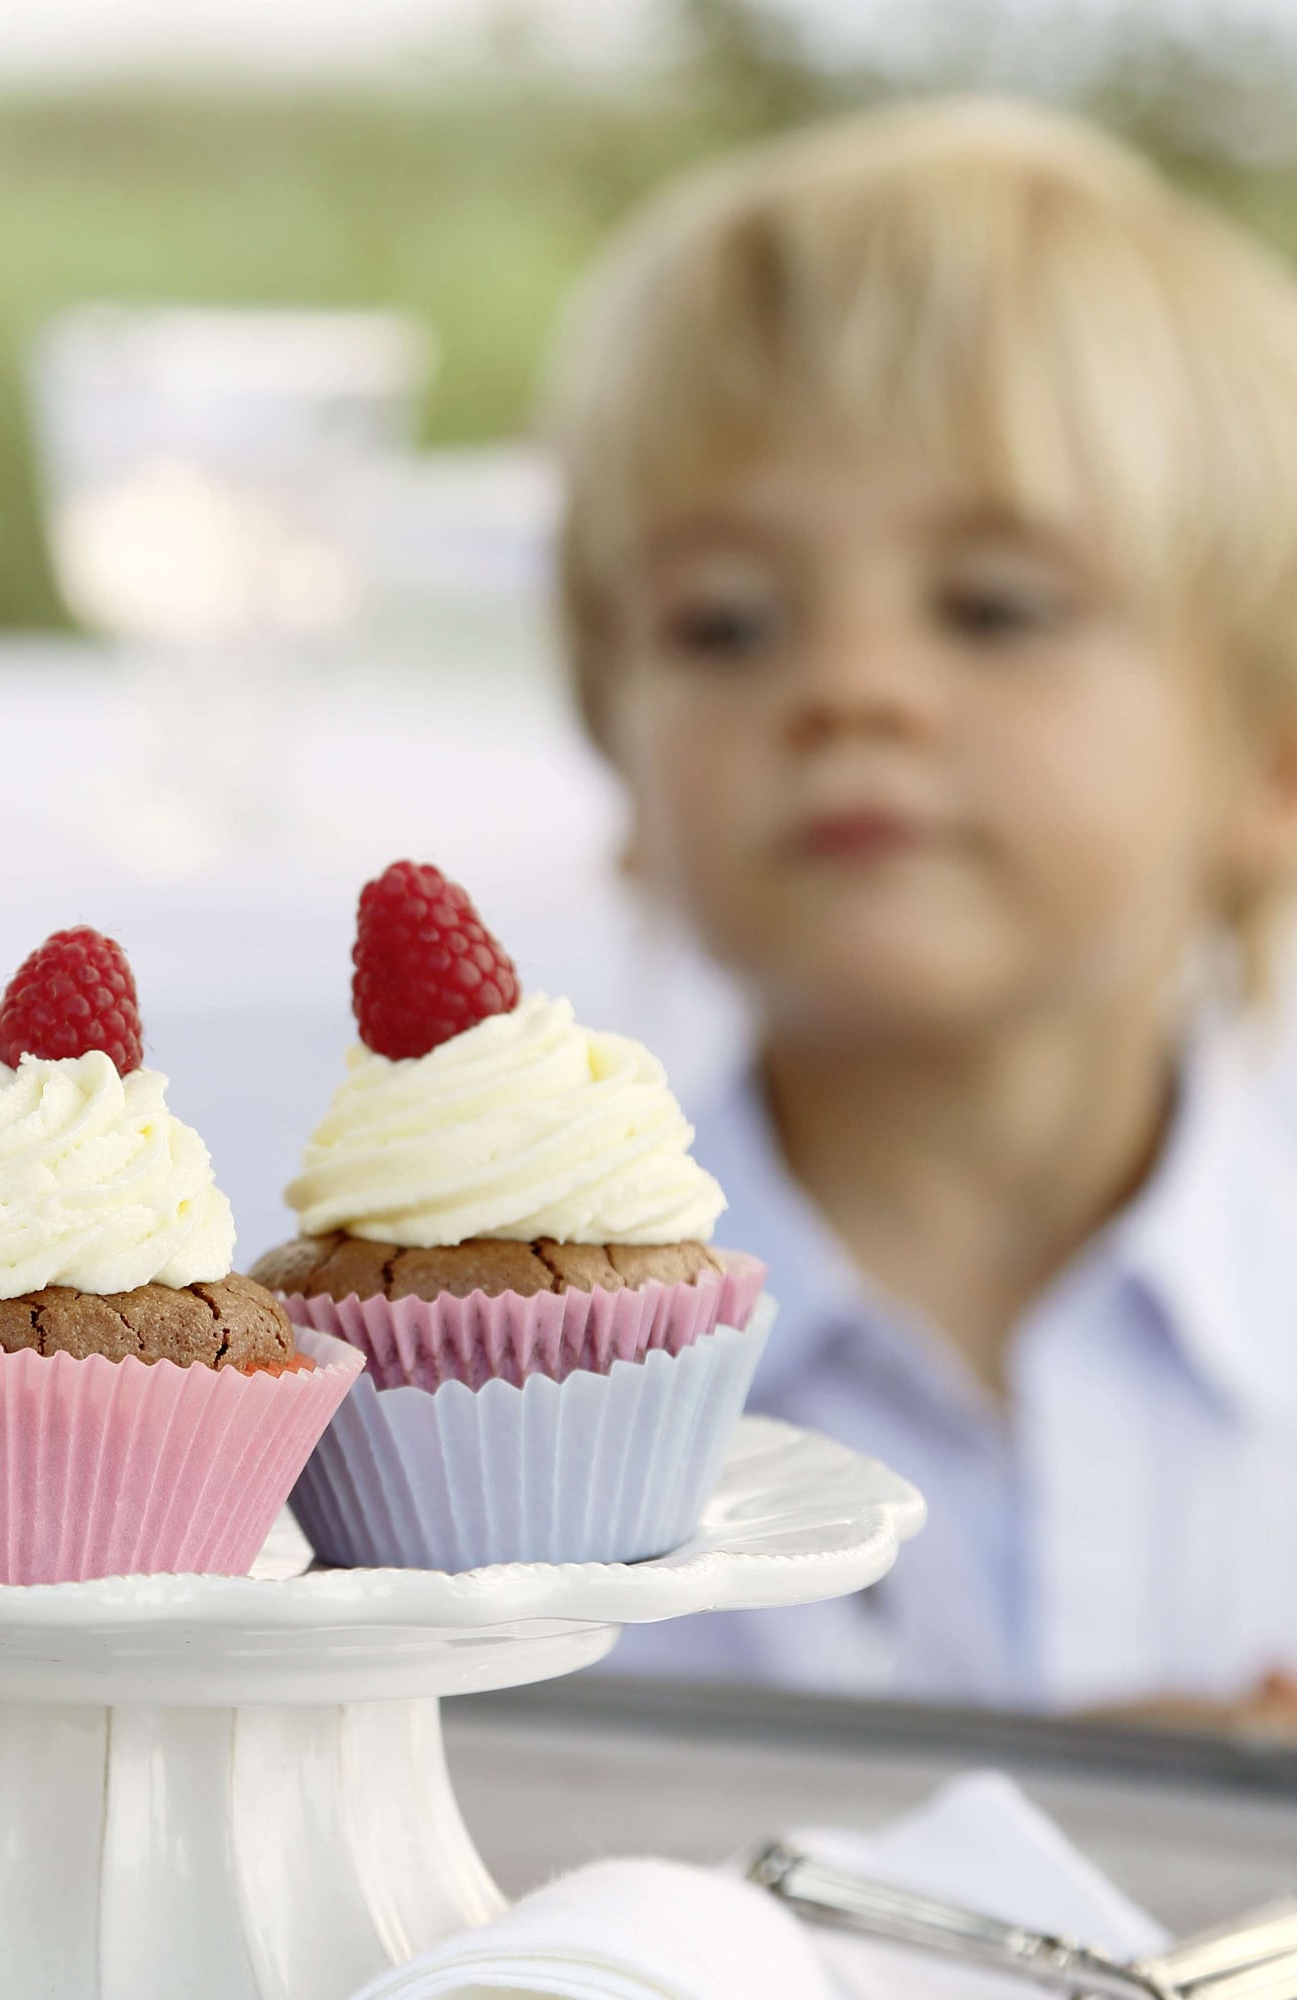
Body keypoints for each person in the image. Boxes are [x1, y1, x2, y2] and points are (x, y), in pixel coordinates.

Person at [552, 96, 1297, 1713]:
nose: (853, 689)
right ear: (622, 769)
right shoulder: (515, 1391)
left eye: (995, 607)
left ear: (1275, 763)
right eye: (728, 627)